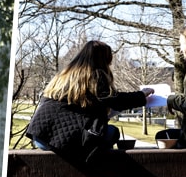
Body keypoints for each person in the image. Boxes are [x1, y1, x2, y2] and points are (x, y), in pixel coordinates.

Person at [25, 40, 154, 162]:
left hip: (40, 137)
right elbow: (114, 99)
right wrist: (141, 95)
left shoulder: (64, 75)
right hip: (61, 141)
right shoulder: (95, 75)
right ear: (104, 59)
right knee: (111, 132)